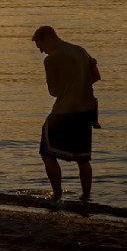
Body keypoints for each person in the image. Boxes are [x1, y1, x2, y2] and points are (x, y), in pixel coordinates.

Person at [32, 25, 100, 202]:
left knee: (46, 151)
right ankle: (86, 197)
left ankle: (57, 194)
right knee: (83, 159)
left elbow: (53, 91)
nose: (41, 52)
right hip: (86, 110)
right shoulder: (80, 51)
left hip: (64, 111)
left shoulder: (51, 60)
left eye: (40, 46)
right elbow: (95, 77)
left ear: (48, 38)